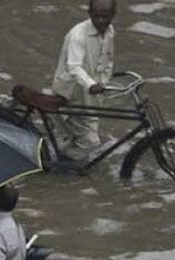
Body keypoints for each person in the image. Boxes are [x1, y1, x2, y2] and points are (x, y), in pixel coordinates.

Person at [51, 0, 117, 162]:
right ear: (89, 13)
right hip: (71, 93)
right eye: (97, 16)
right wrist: (91, 84)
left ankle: (64, 160)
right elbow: (74, 67)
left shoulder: (109, 31)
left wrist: (104, 82)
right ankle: (61, 167)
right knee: (90, 141)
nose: (101, 21)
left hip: (91, 95)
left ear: (112, 16)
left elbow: (107, 59)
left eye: (105, 17)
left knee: (72, 136)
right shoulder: (78, 35)